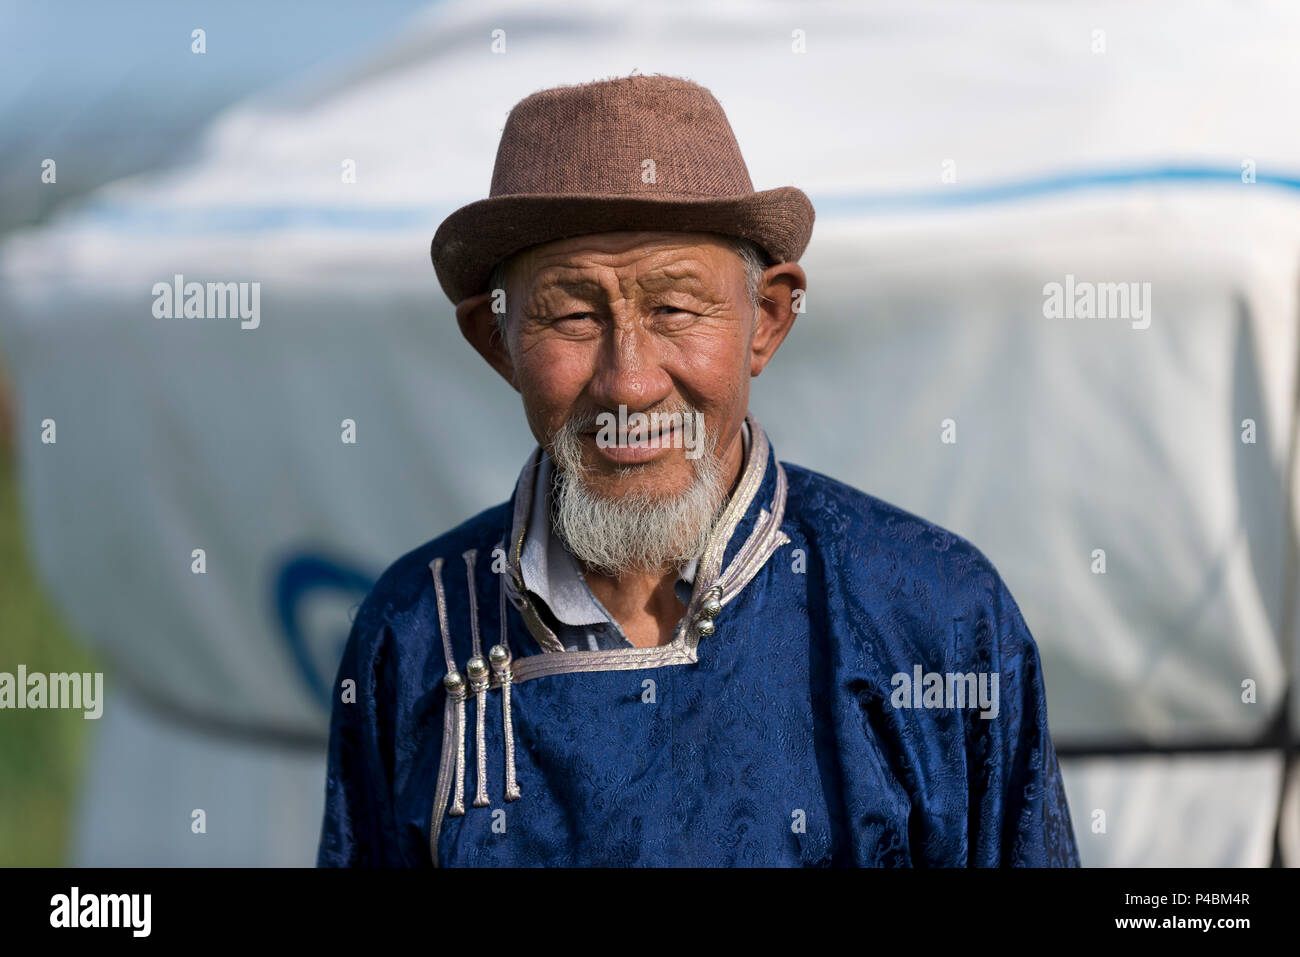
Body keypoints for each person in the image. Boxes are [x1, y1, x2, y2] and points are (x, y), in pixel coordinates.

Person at [317, 73, 1079, 866]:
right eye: (573, 314)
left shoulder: (934, 616)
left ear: (768, 319)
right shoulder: (414, 633)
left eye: (675, 308)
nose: (630, 381)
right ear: (496, 341)